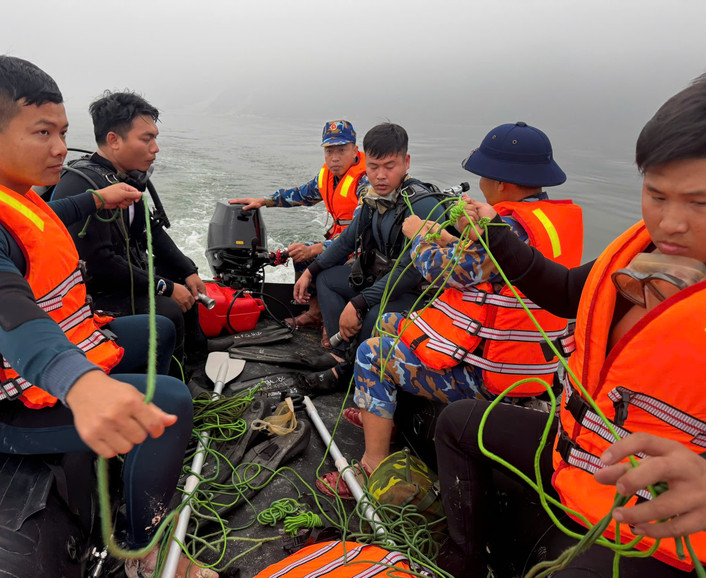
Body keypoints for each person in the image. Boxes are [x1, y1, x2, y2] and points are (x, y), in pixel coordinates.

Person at [0, 54, 213, 578]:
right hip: (6, 406)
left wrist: (96, 199)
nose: (61, 148)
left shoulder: (12, 198)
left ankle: (130, 460)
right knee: (170, 402)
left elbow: (48, 219)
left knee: (155, 328)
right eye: (42, 132)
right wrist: (83, 386)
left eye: (62, 132)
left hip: (35, 371)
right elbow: (10, 314)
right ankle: (142, 548)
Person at [434, 76, 706, 577]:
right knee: (457, 424)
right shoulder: (636, 252)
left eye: (700, 203)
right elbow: (562, 291)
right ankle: (464, 561)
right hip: (578, 454)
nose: (670, 222)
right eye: (656, 194)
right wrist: (494, 229)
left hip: (656, 521)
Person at [319, 122, 583, 497]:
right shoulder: (541, 222)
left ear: (501, 182)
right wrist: (445, 234)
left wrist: (419, 236)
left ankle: (371, 465)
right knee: (390, 322)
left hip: (489, 375)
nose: (480, 183)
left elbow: (445, 271)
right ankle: (384, 416)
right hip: (529, 365)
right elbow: (485, 262)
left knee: (371, 354)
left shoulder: (508, 229)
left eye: (483, 176)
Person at [52, 91, 207, 380]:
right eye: (146, 139)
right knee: (170, 308)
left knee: (186, 285)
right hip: (96, 293)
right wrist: (165, 287)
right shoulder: (81, 186)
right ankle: (173, 384)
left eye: (155, 138)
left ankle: (196, 361)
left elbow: (151, 231)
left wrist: (188, 270)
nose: (155, 148)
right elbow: (100, 264)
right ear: (114, 140)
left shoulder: (125, 179)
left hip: (124, 276)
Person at [294, 122, 449, 378]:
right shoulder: (374, 199)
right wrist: (311, 271)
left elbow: (409, 271)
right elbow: (346, 241)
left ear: (406, 162)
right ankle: (341, 353)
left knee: (375, 313)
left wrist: (359, 302)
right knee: (327, 279)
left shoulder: (421, 206)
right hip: (384, 280)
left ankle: (356, 370)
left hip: (419, 293)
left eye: (390, 166)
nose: (380, 176)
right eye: (374, 167)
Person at [230, 120, 368, 331]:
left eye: (342, 150)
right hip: (337, 244)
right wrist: (263, 201)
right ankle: (315, 313)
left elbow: (359, 231)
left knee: (317, 257)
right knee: (300, 252)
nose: (335, 157)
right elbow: (301, 195)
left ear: (355, 150)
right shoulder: (327, 176)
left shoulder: (365, 182)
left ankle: (336, 323)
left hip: (362, 249)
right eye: (329, 150)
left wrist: (317, 249)